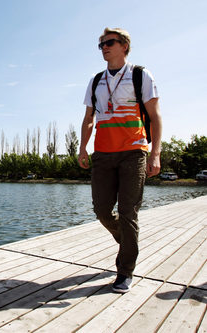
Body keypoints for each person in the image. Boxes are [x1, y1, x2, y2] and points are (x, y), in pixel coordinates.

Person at [78, 28, 162, 293]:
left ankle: (125, 271)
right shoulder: (95, 81)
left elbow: (155, 115)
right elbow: (89, 118)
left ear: (124, 45)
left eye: (109, 42)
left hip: (133, 151)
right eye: (100, 44)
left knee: (128, 213)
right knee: (102, 210)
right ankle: (123, 239)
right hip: (102, 153)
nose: (103, 47)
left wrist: (156, 153)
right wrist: (82, 147)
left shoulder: (140, 75)